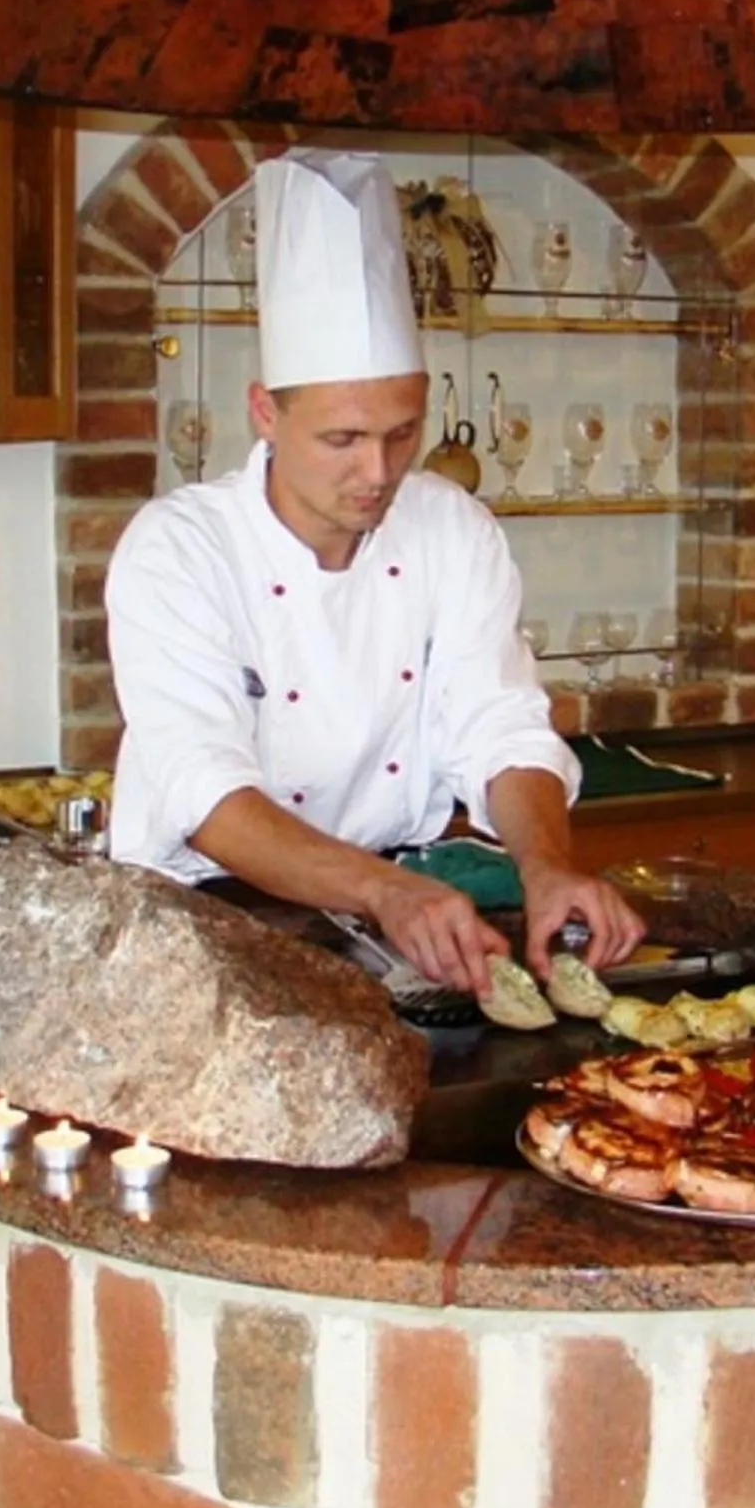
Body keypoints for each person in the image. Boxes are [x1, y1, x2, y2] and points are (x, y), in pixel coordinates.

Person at [106, 148, 643, 993]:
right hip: (203, 924)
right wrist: (386, 893)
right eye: (342, 440)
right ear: (264, 413)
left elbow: (499, 725)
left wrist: (544, 866)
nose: (379, 471)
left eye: (401, 432)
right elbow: (202, 791)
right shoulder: (179, 549)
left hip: (389, 911)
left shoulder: (449, 529)